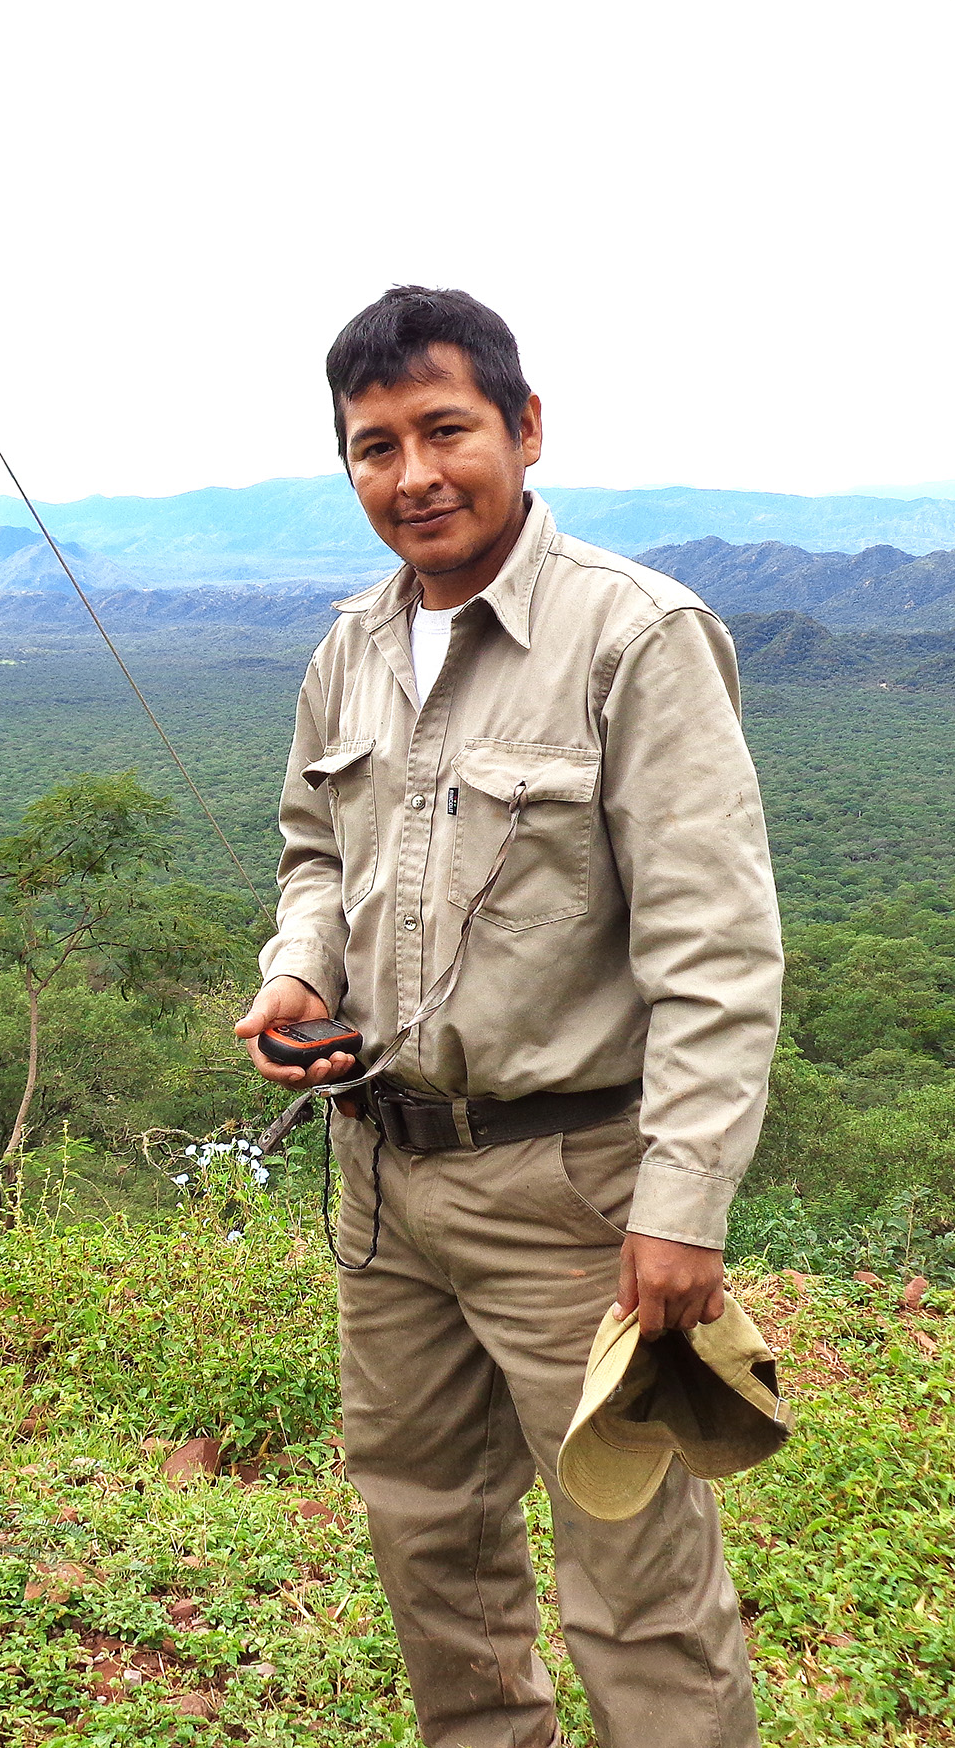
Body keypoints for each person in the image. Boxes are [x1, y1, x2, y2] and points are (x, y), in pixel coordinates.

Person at [234, 286, 785, 1747]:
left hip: (572, 1192)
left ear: (525, 430)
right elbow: (312, 848)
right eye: (372, 447)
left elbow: (716, 950)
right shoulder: (349, 646)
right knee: (428, 1535)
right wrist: (303, 972)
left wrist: (683, 1208)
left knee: (638, 1576)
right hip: (378, 1175)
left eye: (444, 431)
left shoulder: (632, 635)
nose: (411, 475)